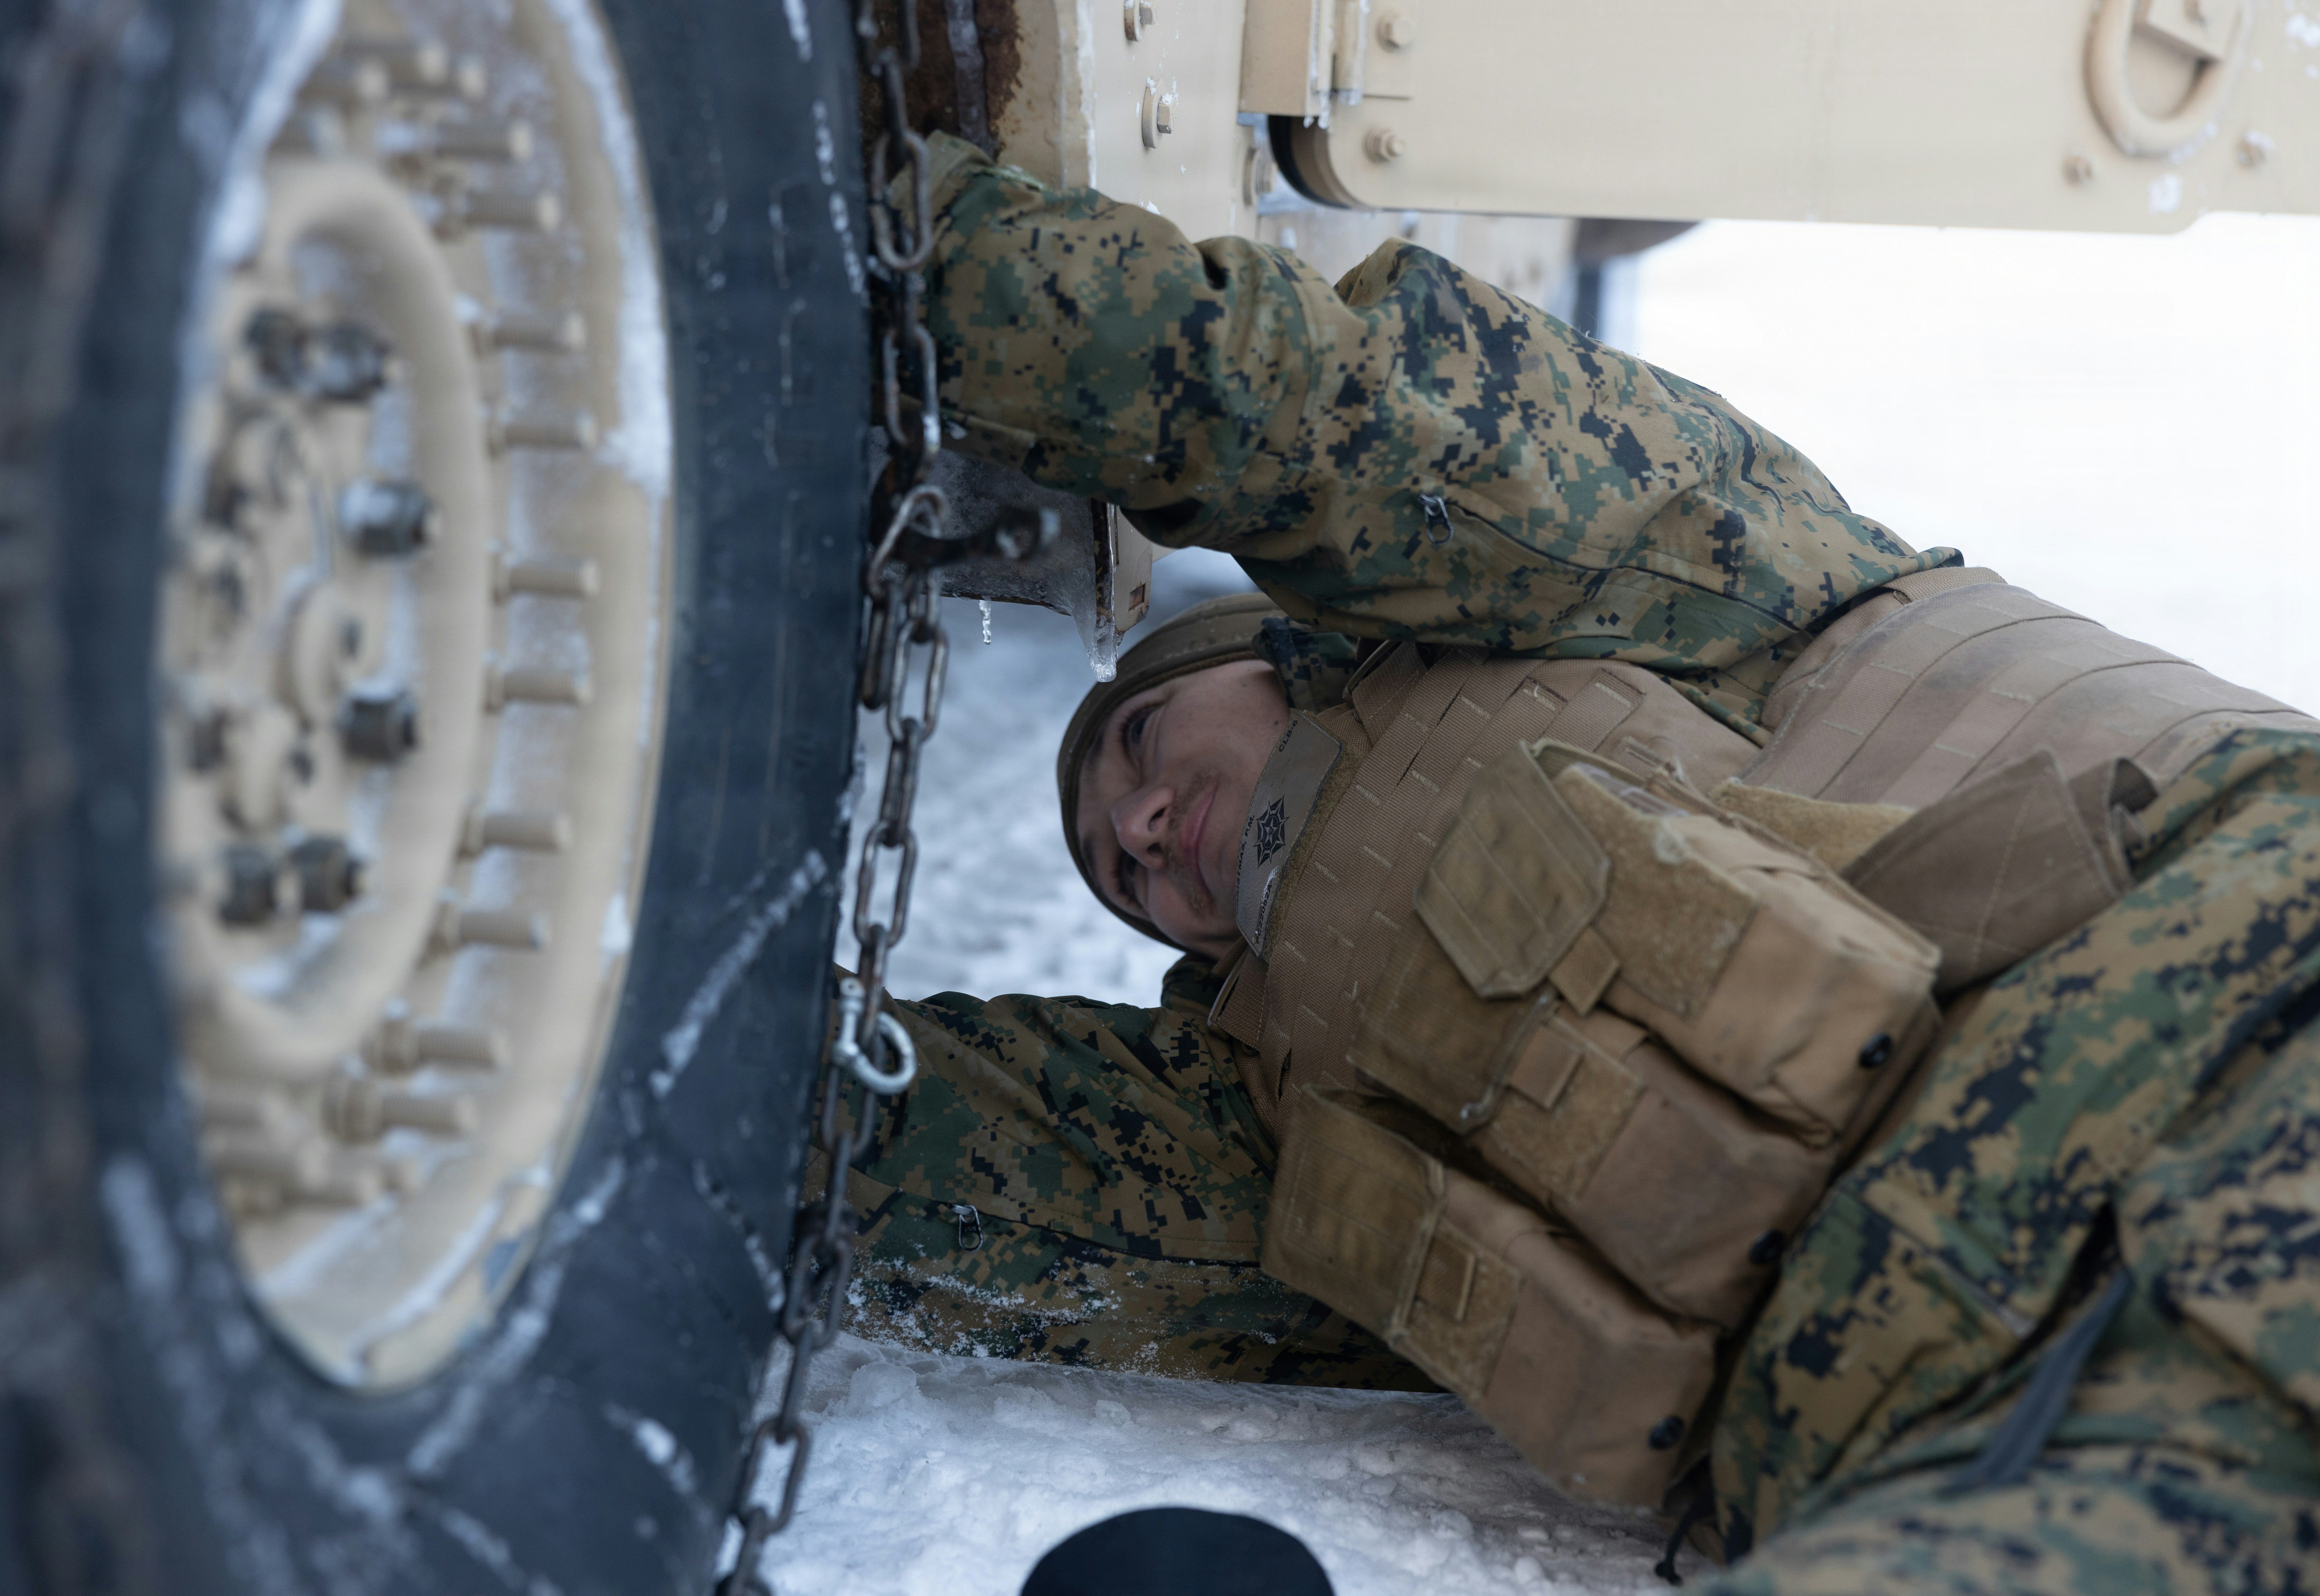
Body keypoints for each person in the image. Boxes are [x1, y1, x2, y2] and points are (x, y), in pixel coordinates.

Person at [816, 133, 2320, 1591]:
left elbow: (1319, 411)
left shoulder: (1711, 590)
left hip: (2243, 1027)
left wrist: (881, 245)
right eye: (1119, 877)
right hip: (1999, 1454)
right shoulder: (1284, 1116)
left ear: (1275, 654)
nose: (1143, 830)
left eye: (1143, 741)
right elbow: (946, 1164)